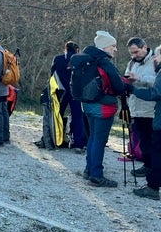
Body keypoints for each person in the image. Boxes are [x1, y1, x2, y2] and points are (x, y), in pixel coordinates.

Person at [80, 30, 127, 187]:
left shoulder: (87, 59)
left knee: (93, 138)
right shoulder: (104, 62)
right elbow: (119, 86)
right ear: (106, 47)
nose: (115, 49)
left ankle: (89, 170)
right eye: (113, 46)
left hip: (87, 103)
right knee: (99, 140)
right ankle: (96, 175)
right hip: (103, 106)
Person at [125, 45, 161, 200]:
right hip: (138, 110)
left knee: (157, 152)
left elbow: (155, 93)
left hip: (155, 116)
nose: (155, 59)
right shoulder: (132, 63)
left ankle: (152, 187)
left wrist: (134, 89)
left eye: (157, 57)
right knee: (149, 145)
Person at [124, 37, 156, 177]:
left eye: (136, 52)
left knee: (154, 142)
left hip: (151, 109)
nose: (134, 55)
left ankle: (154, 169)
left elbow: (158, 83)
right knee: (143, 141)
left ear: (145, 47)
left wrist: (140, 79)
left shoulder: (156, 61)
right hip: (136, 108)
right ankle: (147, 165)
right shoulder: (131, 63)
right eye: (131, 53)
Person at [51, 41, 85, 149]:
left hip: (61, 91)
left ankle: (57, 139)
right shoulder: (80, 60)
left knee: (58, 114)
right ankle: (78, 143)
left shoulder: (58, 59)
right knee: (77, 117)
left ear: (65, 49)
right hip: (76, 91)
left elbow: (52, 75)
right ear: (77, 50)